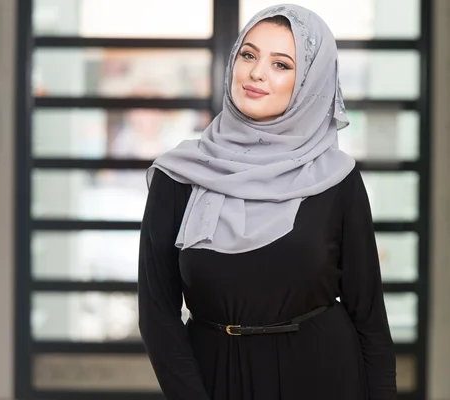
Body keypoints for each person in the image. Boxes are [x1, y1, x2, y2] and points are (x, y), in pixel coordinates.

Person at [138, 4, 398, 400]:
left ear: (311, 83)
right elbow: (157, 315)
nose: (257, 72)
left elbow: (370, 319)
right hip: (216, 379)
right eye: (248, 55)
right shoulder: (181, 175)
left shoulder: (336, 179)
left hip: (325, 377)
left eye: (282, 64)